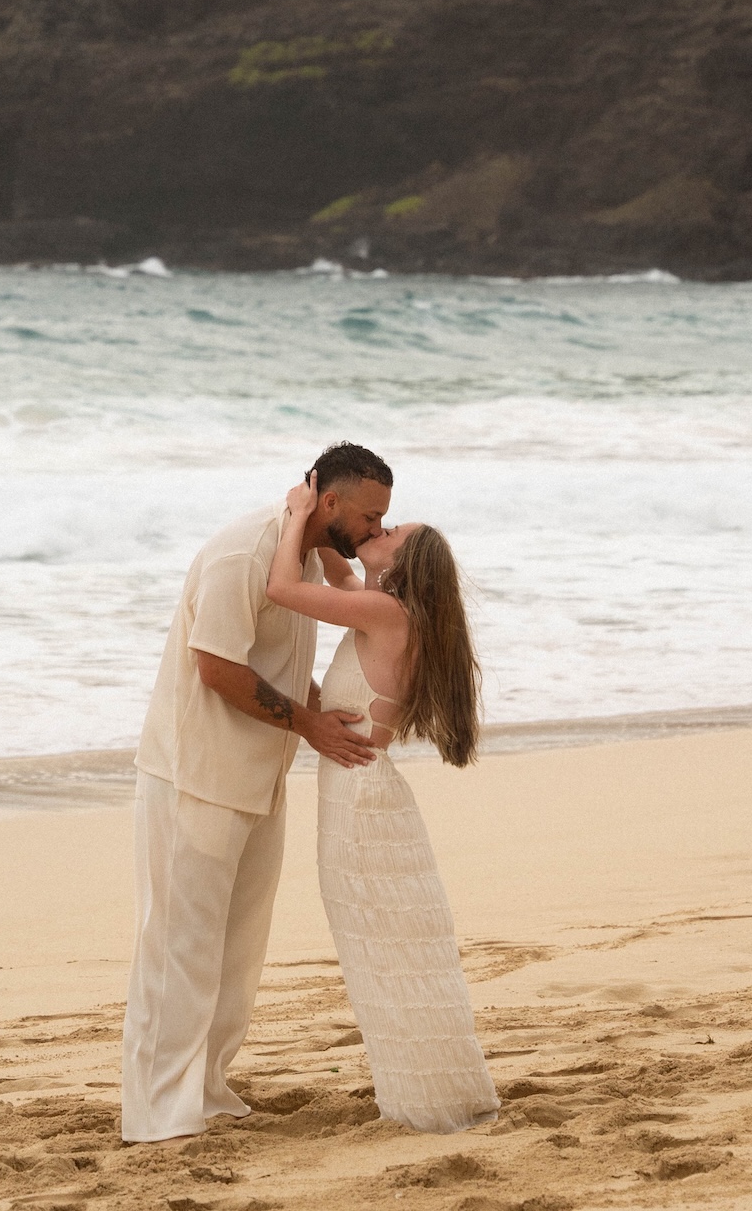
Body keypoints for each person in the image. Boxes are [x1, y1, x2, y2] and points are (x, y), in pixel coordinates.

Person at [120, 443, 395, 1144]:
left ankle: (207, 1091)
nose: (373, 531)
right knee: (179, 949)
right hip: (196, 778)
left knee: (236, 954)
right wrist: (306, 723)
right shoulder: (244, 554)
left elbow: (272, 659)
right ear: (328, 502)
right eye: (368, 517)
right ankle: (158, 1113)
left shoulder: (296, 558)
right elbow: (215, 667)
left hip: (256, 778)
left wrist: (309, 710)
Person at [266, 473, 498, 1134]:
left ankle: (424, 1101)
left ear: (404, 567)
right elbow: (338, 576)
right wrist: (329, 522)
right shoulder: (383, 607)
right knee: (382, 950)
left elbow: (282, 589)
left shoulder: (387, 614)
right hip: (363, 790)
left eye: (390, 532)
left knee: (382, 951)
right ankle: (424, 1091)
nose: (379, 531)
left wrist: (295, 514)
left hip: (361, 798)